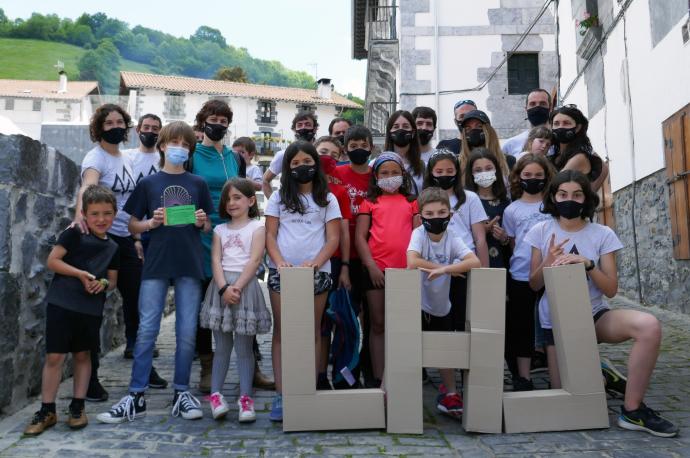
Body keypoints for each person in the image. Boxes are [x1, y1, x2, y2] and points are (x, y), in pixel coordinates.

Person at [526, 170, 678, 438]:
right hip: (555, 326)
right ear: (553, 196)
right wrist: (548, 260)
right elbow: (534, 284)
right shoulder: (541, 230)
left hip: (594, 316)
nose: (569, 200)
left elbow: (609, 289)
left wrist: (588, 264)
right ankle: (601, 375)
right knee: (566, 397)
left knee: (649, 326)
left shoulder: (602, 233)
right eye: (562, 194)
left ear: (586, 199)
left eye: (576, 195)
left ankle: (632, 410)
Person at [97, 121, 213, 424]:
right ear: (162, 145)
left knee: (187, 331)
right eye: (175, 142)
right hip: (156, 263)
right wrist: (151, 223)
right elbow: (131, 223)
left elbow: (208, 225)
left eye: (186, 144)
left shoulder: (198, 183)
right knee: (147, 329)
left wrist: (202, 221)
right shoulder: (148, 184)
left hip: (189, 263)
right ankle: (136, 394)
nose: (180, 148)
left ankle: (181, 392)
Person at [76, 103, 165, 402]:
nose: (115, 126)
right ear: (99, 128)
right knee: (92, 310)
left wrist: (137, 238)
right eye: (108, 122)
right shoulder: (96, 157)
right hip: (99, 241)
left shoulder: (125, 159)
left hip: (126, 241)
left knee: (140, 304)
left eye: (119, 121)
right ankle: (90, 379)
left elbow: (129, 205)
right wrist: (80, 214)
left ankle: (144, 368)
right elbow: (88, 187)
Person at [24, 186, 120, 436]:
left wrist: (102, 284)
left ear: (115, 214)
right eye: (95, 213)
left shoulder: (113, 247)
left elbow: (112, 280)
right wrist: (80, 275)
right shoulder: (74, 234)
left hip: (90, 309)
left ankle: (78, 406)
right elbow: (53, 261)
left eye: (107, 213)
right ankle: (47, 409)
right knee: (55, 357)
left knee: (82, 355)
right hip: (62, 304)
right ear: (85, 215)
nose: (101, 219)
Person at [189, 100, 266, 395]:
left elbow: (245, 191)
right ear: (203, 120)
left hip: (239, 232)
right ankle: (208, 366)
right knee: (207, 301)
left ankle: (253, 366)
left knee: (243, 297)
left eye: (224, 119)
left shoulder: (236, 158)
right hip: (204, 234)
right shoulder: (193, 154)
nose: (218, 123)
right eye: (213, 118)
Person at [264, 141, 341, 421]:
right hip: (281, 272)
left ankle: (306, 390)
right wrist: (280, 261)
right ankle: (282, 394)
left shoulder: (327, 199)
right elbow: (270, 234)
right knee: (282, 331)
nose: (301, 167)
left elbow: (333, 238)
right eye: (294, 163)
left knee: (312, 330)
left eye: (306, 161)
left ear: (315, 164)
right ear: (287, 168)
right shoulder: (278, 198)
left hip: (317, 274)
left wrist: (316, 263)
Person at [199, 178, 272, 423]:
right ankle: (217, 395)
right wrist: (223, 289)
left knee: (244, 348)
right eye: (228, 198)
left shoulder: (257, 228)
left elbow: (254, 260)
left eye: (238, 197)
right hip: (221, 288)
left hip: (245, 287)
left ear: (251, 200)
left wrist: (237, 287)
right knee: (221, 347)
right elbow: (216, 260)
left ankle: (245, 398)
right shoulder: (220, 230)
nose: (232, 203)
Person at [407, 187, 480, 416]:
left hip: (440, 305)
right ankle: (393, 392)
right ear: (421, 216)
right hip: (416, 303)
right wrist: (444, 269)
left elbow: (474, 261)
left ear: (450, 215)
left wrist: (446, 269)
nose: (436, 218)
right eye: (430, 214)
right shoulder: (419, 233)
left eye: (441, 212)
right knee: (407, 349)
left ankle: (450, 393)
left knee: (445, 350)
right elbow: (412, 261)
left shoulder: (453, 236)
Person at [356, 152, 420, 387]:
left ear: (403, 175)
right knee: (378, 323)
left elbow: (418, 236)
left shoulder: (412, 201)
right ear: (376, 176)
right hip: (376, 271)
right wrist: (370, 266)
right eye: (384, 173)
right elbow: (360, 238)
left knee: (402, 324)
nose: (390, 177)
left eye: (395, 173)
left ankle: (401, 374)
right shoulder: (369, 202)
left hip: (406, 272)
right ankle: (379, 375)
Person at [502, 153, 555, 390]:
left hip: (552, 273)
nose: (533, 179)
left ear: (546, 177)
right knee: (521, 326)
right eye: (527, 175)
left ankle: (560, 372)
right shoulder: (512, 210)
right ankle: (523, 376)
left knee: (552, 324)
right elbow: (514, 242)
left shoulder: (553, 206)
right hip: (521, 274)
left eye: (538, 175)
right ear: (518, 177)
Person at [423, 150, 488, 331]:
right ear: (431, 173)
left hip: (464, 266)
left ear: (457, 172)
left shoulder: (470, 198)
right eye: (439, 171)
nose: (445, 175)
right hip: (433, 268)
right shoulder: (423, 199)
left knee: (461, 319)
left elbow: (480, 238)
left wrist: (484, 272)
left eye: (450, 171)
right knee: (437, 321)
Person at [333, 125, 375, 387]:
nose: (359, 149)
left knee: (371, 319)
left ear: (371, 146)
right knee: (344, 318)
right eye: (354, 144)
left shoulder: (378, 175)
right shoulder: (337, 174)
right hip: (341, 254)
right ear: (345, 148)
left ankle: (370, 369)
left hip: (371, 255)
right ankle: (344, 374)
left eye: (364, 144)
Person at [313, 146, 352, 389]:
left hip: (334, 261)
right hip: (309, 261)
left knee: (333, 318)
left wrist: (345, 266)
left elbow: (344, 232)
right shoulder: (302, 190)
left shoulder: (339, 192)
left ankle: (334, 372)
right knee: (318, 323)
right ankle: (317, 373)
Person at [464, 149, 511, 269]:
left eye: (489, 168)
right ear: (471, 173)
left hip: (500, 262)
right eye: (478, 170)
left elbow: (512, 238)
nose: (484, 173)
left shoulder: (506, 202)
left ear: (496, 170)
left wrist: (504, 238)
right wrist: (480, 231)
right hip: (471, 262)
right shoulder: (465, 201)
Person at [549, 105, 608, 192]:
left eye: (566, 123)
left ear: (577, 128)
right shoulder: (555, 154)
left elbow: (553, 186)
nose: (560, 127)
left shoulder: (579, 157)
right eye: (556, 123)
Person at [262, 110, 319, 198]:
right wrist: (274, 204)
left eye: (308, 124)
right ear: (294, 129)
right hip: (290, 206)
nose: (303, 128)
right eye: (299, 125)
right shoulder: (283, 155)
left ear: (315, 128)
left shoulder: (320, 154)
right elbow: (265, 180)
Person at [458, 109, 513, 179]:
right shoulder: (458, 164)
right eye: (468, 129)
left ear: (489, 130)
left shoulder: (508, 161)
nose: (473, 131)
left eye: (479, 126)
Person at [383, 110, 425, 194]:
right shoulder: (376, 164)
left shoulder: (424, 167)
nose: (400, 130)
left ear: (413, 132)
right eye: (396, 127)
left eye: (405, 126)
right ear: (389, 132)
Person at [502, 88, 553, 157]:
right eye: (532, 104)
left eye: (542, 104)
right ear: (526, 109)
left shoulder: (558, 142)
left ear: (550, 108)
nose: (537, 107)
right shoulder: (510, 145)